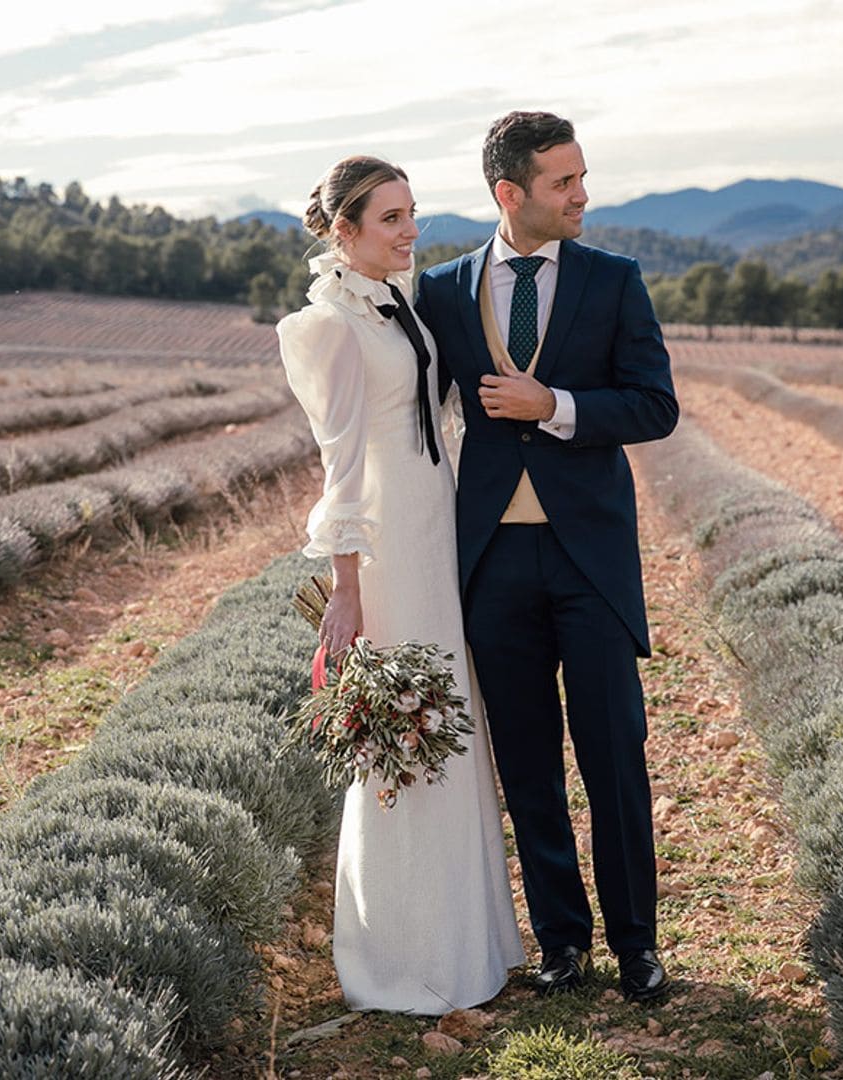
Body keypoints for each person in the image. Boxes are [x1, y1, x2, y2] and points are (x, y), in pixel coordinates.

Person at [416, 112, 679, 1002]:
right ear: (510, 193)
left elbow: (654, 407)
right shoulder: (445, 292)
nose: (581, 195)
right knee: (526, 763)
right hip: (491, 562)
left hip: (590, 563)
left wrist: (554, 405)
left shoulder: (614, 281)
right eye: (564, 182)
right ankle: (562, 943)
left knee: (614, 756)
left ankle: (637, 946)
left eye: (581, 177)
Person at [276, 156, 525, 1014]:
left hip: (433, 526)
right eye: (390, 218)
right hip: (383, 547)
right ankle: (400, 957)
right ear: (343, 231)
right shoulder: (327, 328)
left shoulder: (400, 303)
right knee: (405, 739)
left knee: (449, 721)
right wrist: (346, 590)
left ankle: (468, 945)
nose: (410, 230)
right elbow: (338, 466)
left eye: (412, 213)